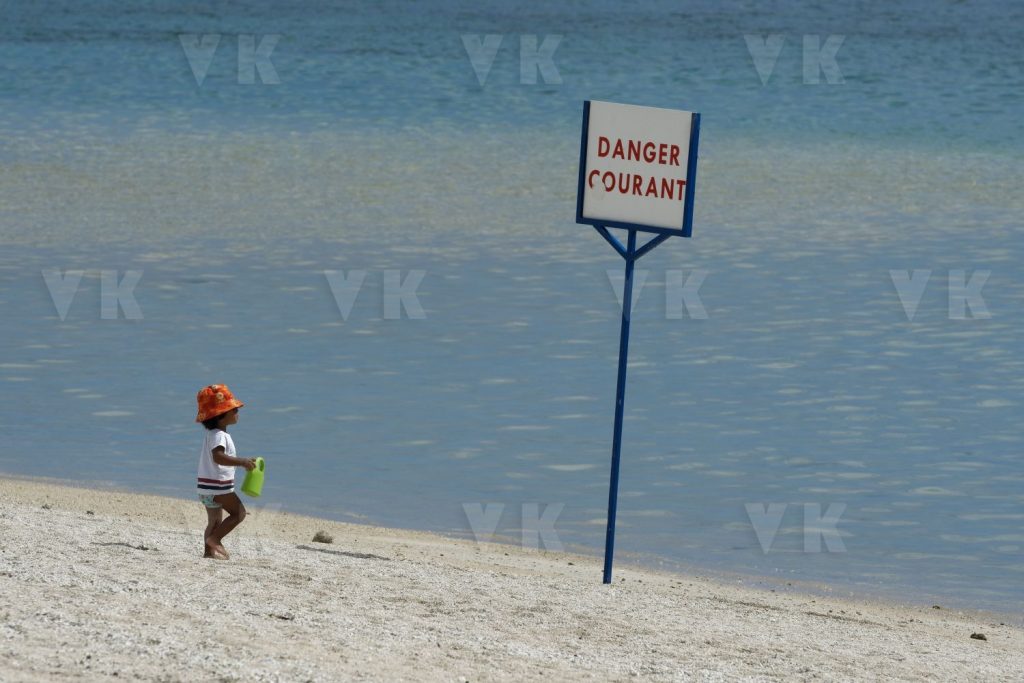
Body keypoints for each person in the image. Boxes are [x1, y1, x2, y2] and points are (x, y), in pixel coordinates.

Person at [195, 384, 256, 560]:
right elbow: (219, 457)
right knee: (239, 513)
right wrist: (242, 462)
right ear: (221, 415)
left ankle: (209, 552)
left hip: (206, 489)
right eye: (234, 409)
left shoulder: (212, 434)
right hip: (218, 488)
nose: (237, 412)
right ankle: (215, 540)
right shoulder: (220, 436)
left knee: (214, 521)